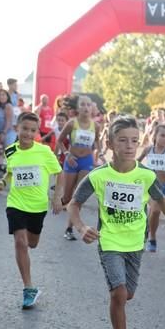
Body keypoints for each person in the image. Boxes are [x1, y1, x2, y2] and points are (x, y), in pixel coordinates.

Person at [68, 115, 165, 329]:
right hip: (109, 240)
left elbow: (163, 201)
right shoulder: (99, 176)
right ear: (110, 143)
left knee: (127, 294)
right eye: (123, 140)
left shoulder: (144, 175)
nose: (130, 145)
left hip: (136, 242)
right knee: (119, 294)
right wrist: (82, 227)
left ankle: (118, 308)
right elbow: (74, 204)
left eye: (134, 140)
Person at [0, 112, 63, 308]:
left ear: (37, 132)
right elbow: (10, 171)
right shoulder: (10, 151)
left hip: (37, 206)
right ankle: (28, 288)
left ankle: (29, 284)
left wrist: (57, 196)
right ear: (17, 128)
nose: (28, 133)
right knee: (20, 242)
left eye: (33, 130)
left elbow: (60, 173)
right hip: (16, 203)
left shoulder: (44, 152)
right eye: (24, 128)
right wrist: (2, 182)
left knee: (32, 243)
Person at [57, 95, 102, 241]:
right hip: (72, 161)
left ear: (92, 108)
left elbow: (97, 143)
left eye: (88, 105)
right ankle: (61, 202)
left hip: (86, 162)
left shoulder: (96, 126)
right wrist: (67, 154)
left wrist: (97, 157)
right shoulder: (71, 123)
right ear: (78, 108)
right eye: (82, 105)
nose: (86, 108)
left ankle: (69, 228)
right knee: (68, 196)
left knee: (78, 196)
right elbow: (60, 141)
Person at [137, 125, 165, 252]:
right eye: (162, 135)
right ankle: (152, 238)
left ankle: (149, 234)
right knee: (155, 210)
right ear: (155, 136)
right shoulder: (148, 150)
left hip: (163, 186)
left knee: (154, 212)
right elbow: (137, 163)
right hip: (148, 186)